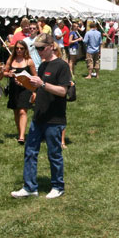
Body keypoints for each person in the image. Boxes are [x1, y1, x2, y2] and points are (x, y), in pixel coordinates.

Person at [11, 33, 71, 199]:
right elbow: (39, 90)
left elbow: (63, 91)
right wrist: (27, 84)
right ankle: (30, 187)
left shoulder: (62, 66)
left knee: (54, 154)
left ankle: (58, 186)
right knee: (30, 151)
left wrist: (43, 84)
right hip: (38, 116)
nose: (38, 52)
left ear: (51, 46)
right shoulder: (43, 66)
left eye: (41, 48)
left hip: (54, 118)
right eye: (36, 49)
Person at [4, 39, 36, 145]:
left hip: (25, 89)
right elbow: (5, 71)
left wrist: (32, 88)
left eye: (21, 48)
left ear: (25, 49)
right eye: (17, 48)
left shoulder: (29, 61)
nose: (19, 50)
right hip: (14, 89)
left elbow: (35, 76)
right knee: (16, 111)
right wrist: (8, 74)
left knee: (23, 111)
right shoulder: (11, 59)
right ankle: (19, 132)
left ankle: (22, 136)